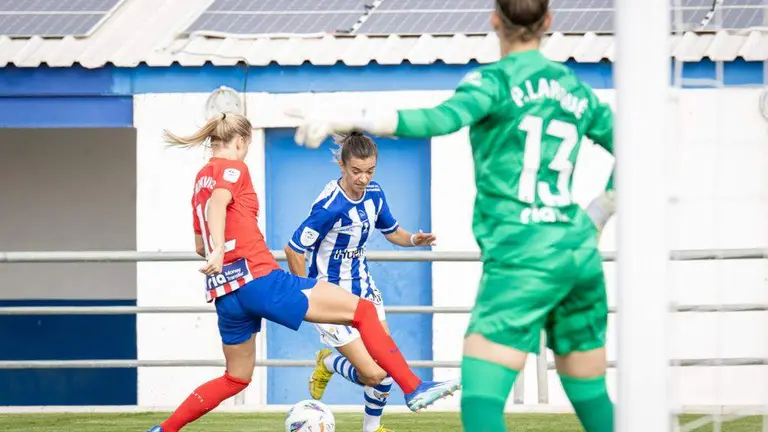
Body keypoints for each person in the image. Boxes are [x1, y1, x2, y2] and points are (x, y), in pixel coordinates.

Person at [285, 0, 618, 430]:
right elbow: (635, 141)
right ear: (549, 22)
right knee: (591, 396)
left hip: (522, 257)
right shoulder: (573, 87)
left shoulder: (492, 83)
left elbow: (438, 119)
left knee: (481, 405)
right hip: (577, 253)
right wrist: (597, 214)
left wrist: (350, 115)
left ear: (495, 19)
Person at [146, 113, 460, 432]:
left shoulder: (200, 178)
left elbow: (201, 243)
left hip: (225, 292)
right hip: (259, 280)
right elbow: (219, 203)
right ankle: (413, 386)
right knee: (363, 311)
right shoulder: (234, 168)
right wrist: (220, 250)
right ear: (241, 142)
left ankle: (165, 429)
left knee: (236, 377)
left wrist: (216, 250)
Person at [284, 132, 451, 432]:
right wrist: (308, 298)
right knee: (373, 374)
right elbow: (293, 249)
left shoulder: (374, 193)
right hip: (330, 296)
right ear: (342, 165)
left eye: (369, 171)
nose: (363, 178)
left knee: (385, 368)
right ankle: (328, 363)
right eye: (356, 171)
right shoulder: (330, 206)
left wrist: (414, 239)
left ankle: (371, 428)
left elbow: (392, 231)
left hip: (364, 291)